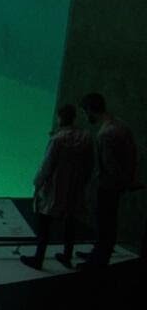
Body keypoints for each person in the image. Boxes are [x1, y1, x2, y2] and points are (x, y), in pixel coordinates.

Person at [21, 105, 92, 270]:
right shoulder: (86, 137)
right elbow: (89, 165)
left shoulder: (57, 140)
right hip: (75, 187)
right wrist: (82, 183)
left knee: (44, 223)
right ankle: (67, 255)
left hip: (54, 188)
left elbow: (47, 165)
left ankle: (39, 258)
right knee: (70, 221)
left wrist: (37, 183)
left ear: (60, 118)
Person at [76, 92, 140, 269]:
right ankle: (99, 252)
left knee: (105, 222)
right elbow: (132, 153)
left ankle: (98, 261)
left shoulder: (105, 133)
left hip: (108, 186)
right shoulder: (120, 124)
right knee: (108, 222)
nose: (84, 116)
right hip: (118, 183)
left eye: (84, 112)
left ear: (90, 110)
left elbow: (110, 166)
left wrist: (105, 182)